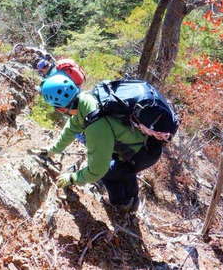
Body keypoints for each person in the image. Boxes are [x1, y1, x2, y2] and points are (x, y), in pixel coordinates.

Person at [38, 74, 163, 213]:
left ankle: (123, 204)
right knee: (122, 167)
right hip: (143, 144)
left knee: (109, 172)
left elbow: (96, 171)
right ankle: (132, 200)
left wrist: (72, 178)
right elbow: (72, 127)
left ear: (60, 109)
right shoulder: (86, 100)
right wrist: (52, 150)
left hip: (143, 153)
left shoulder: (95, 126)